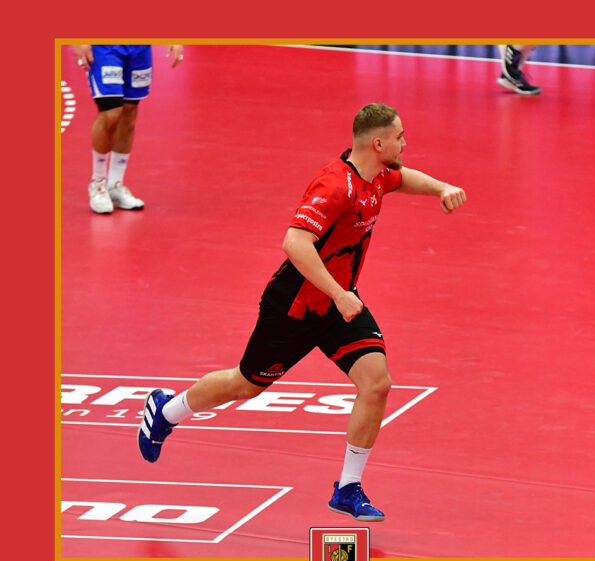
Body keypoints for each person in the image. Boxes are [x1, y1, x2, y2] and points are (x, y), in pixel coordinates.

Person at [137, 103, 467, 521]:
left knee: (376, 384)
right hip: (295, 306)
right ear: (378, 143)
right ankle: (166, 411)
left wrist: (441, 188)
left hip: (338, 303)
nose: (405, 143)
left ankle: (347, 487)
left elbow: (404, 179)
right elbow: (294, 243)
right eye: (400, 136)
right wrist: (338, 294)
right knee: (245, 385)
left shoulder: (378, 175)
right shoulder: (334, 186)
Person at [72, 44, 184, 214]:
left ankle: (115, 185)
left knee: (129, 112)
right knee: (111, 112)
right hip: (104, 46)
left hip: (139, 46)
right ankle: (98, 182)